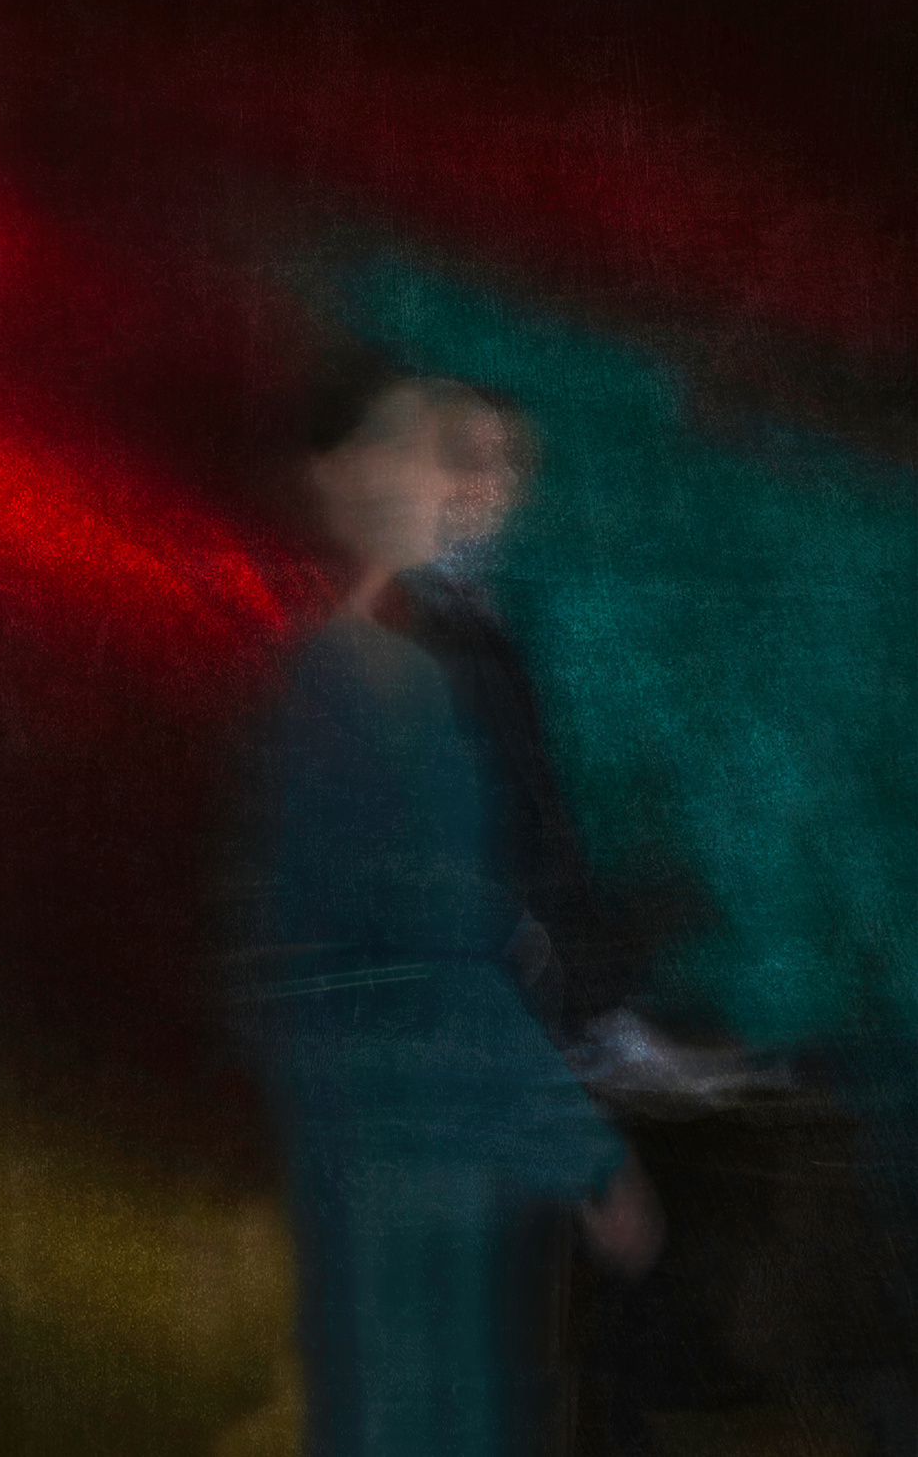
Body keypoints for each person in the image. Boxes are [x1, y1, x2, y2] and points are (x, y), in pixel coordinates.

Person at [228, 374, 663, 1457]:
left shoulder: (338, 670)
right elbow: (437, 954)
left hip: (388, 1129)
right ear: (359, 479)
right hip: (432, 1142)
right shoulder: (387, 688)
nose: (476, 490)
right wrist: (584, 1153)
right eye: (444, 457)